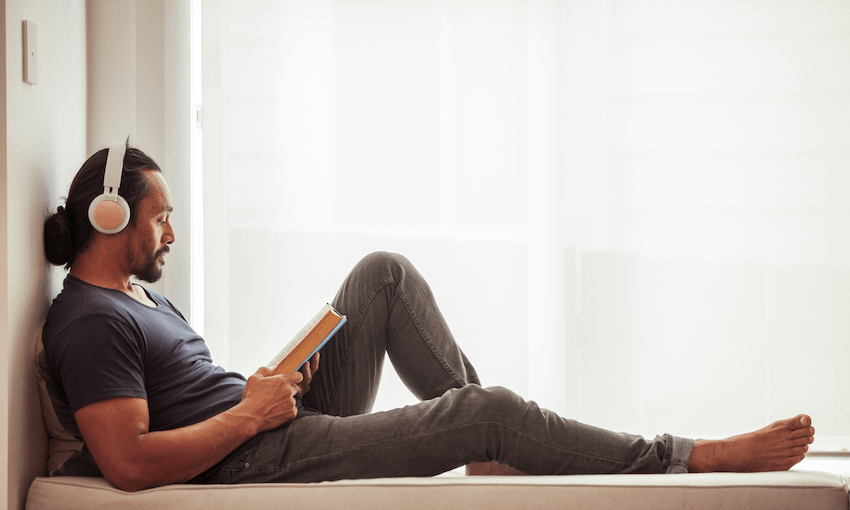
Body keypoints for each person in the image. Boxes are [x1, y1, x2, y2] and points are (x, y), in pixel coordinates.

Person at [41, 143, 815, 493]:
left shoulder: (137, 297)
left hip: (264, 423)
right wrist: (250, 416)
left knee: (383, 275)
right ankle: (689, 456)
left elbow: (191, 394)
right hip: (255, 455)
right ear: (110, 217)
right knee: (491, 409)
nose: (170, 233)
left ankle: (485, 448)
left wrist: (266, 386)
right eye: (160, 218)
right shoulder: (87, 323)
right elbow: (130, 463)